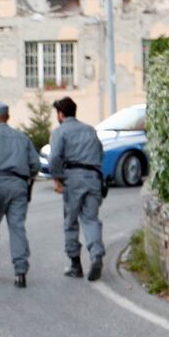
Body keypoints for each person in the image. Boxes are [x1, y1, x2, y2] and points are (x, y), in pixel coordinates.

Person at [0, 102, 40, 288]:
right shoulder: (22, 138)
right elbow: (35, 165)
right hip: (19, 185)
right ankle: (20, 271)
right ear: (8, 117)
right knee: (17, 228)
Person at [48, 96, 106, 281]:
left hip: (73, 179)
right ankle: (96, 254)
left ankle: (75, 264)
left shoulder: (60, 131)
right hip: (94, 178)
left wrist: (57, 178)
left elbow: (55, 157)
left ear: (60, 114)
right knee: (90, 219)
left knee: (71, 222)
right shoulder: (89, 130)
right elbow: (100, 152)